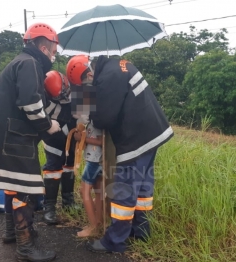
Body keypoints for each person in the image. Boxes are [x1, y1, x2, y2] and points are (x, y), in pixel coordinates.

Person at [65, 55, 174, 253]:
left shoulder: (108, 76)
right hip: (153, 132)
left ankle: (114, 241)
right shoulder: (121, 65)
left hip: (136, 138)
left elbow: (103, 119)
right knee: (142, 188)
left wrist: (93, 111)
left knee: (124, 190)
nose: (88, 85)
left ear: (91, 72)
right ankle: (141, 231)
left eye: (87, 82)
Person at [0, 22, 60, 262]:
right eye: (54, 51)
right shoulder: (29, 63)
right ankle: (25, 246)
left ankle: (12, 232)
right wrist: (48, 125)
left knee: (13, 184)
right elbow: (30, 104)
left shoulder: (20, 61)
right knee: (26, 188)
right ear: (43, 47)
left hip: (2, 134)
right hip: (13, 136)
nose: (54, 56)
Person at [41, 70, 78, 225]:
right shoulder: (42, 96)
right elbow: (55, 114)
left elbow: (82, 113)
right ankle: (49, 206)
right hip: (52, 134)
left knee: (69, 165)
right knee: (53, 167)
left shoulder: (76, 88)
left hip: (71, 132)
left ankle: (68, 201)